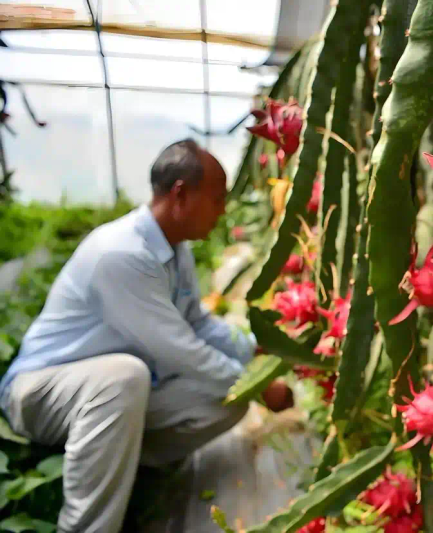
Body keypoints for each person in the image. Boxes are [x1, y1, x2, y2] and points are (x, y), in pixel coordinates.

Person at [0, 139, 293, 533]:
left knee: (226, 401)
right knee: (126, 375)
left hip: (109, 396)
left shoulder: (176, 249)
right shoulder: (121, 254)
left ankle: (119, 463)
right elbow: (182, 351)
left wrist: (257, 347)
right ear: (180, 195)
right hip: (40, 393)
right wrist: (258, 385)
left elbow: (198, 324)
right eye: (217, 198)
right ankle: (86, 526)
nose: (223, 210)